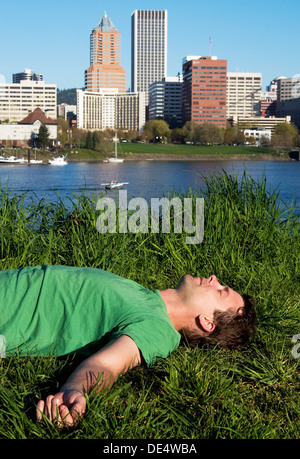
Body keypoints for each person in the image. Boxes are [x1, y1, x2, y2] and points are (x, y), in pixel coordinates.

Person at [0, 265, 256, 427]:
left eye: (220, 290)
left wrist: (75, 388)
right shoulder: (149, 298)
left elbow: (108, 364)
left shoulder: (159, 329)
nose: (214, 278)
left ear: (208, 322)